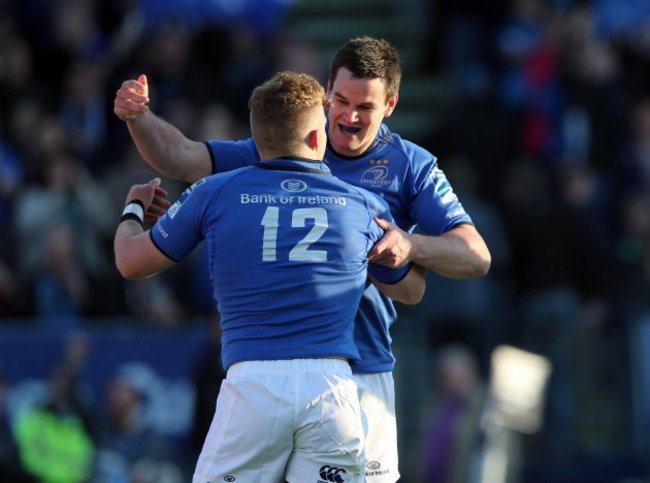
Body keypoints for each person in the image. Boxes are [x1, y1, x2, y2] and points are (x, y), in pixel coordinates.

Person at [113, 36, 491, 482]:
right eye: (340, 100)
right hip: (315, 379)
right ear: (326, 92)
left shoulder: (410, 165)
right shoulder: (288, 140)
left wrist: (412, 245)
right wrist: (140, 117)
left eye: (364, 107)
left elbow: (475, 254)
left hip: (358, 368)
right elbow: (180, 155)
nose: (348, 117)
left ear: (390, 105)